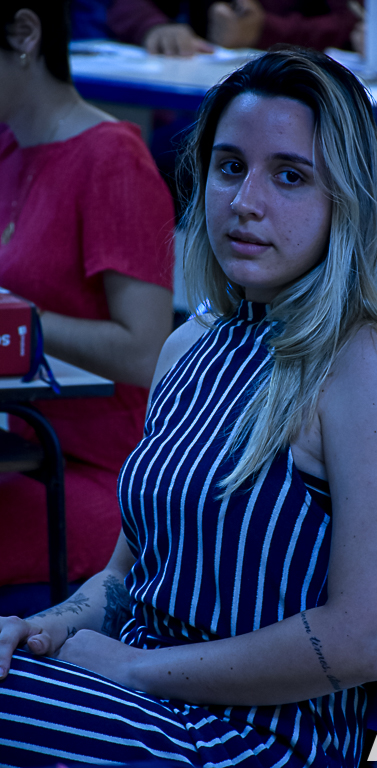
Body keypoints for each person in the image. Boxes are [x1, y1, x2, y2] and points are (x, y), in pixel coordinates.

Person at [0, 47, 377, 767]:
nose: (244, 202)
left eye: (289, 176)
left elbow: (363, 639)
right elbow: (123, 578)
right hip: (140, 699)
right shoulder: (189, 346)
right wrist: (42, 628)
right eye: (230, 167)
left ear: (347, 200)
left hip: (251, 737)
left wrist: (137, 670)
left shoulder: (370, 363)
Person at [0, 1, 174, 594]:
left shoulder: (112, 161)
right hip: (26, 447)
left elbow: (145, 352)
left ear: (24, 34)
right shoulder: (9, 148)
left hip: (101, 474)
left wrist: (19, 322)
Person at [107, 0, 360, 56]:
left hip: (306, 85)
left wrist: (264, 31)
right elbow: (126, 5)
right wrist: (156, 27)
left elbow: (357, 22)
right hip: (203, 89)